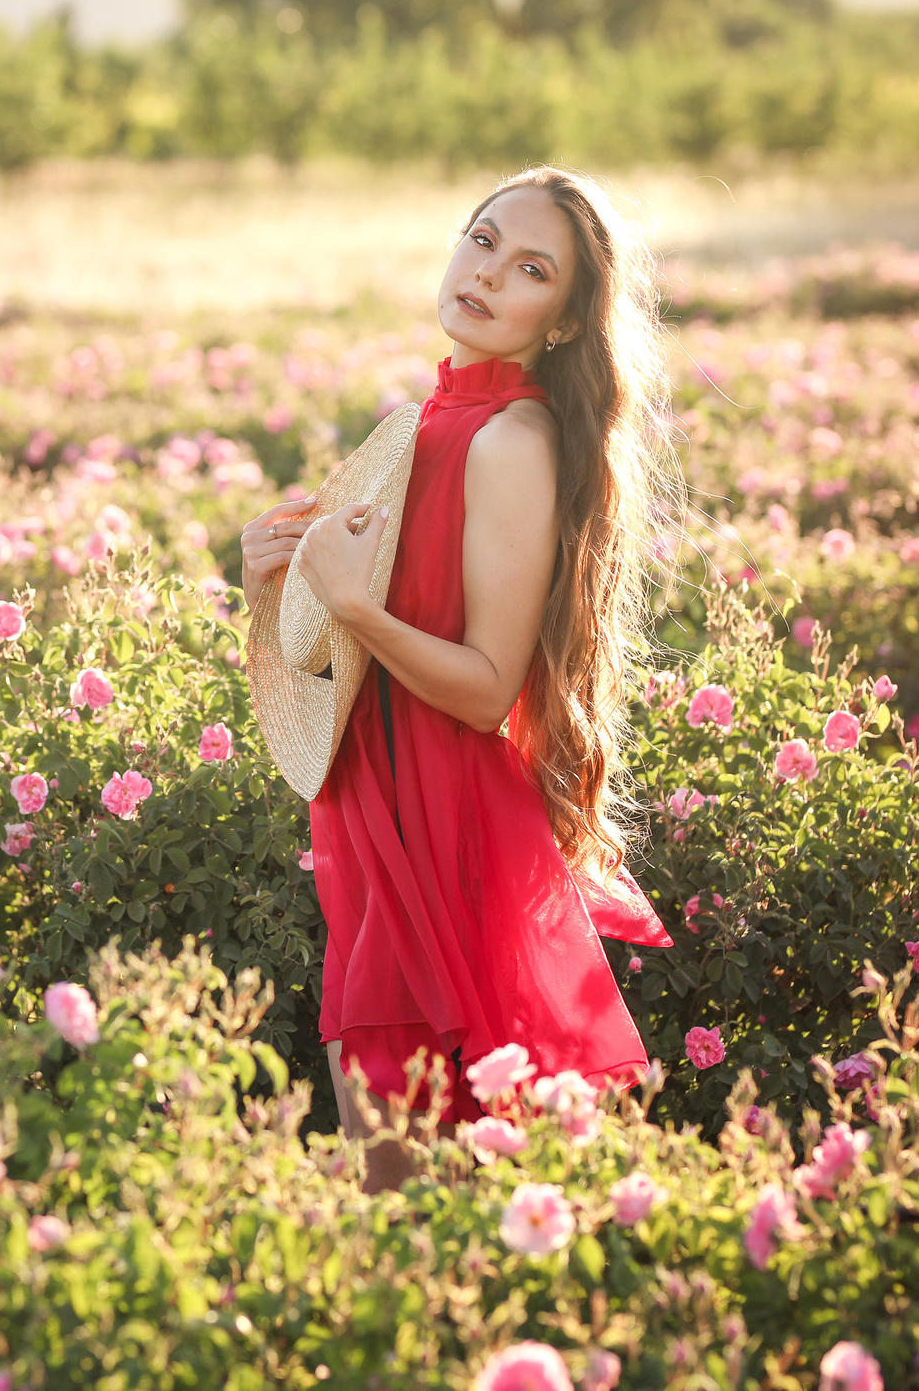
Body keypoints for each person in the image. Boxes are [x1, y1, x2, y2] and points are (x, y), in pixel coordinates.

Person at [239, 165, 673, 1191]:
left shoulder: (512, 439)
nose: (487, 273)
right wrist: (275, 583)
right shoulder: (422, 425)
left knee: (421, 1192)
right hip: (376, 813)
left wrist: (356, 607)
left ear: (565, 321)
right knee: (398, 1183)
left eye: (531, 269)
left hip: (442, 831)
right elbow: (349, 661)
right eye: (482, 241)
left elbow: (484, 688)